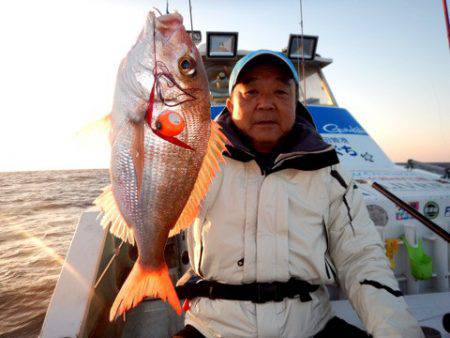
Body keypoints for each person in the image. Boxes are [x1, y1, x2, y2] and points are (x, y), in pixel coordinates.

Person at [174, 50, 423, 337]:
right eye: (251, 92)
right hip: (212, 328)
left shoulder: (329, 171)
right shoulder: (195, 161)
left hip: (311, 326)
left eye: (280, 92)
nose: (266, 104)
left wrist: (396, 331)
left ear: (295, 102)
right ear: (229, 105)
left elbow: (361, 257)